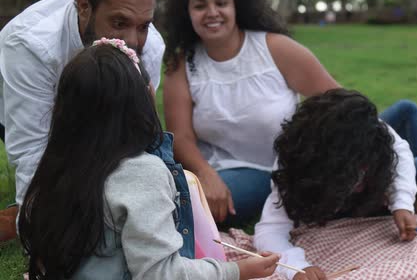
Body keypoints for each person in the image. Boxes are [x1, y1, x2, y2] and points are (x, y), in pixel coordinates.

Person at [17, 41, 279, 280]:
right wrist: (235, 271)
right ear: (144, 96)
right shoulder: (141, 173)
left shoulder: (58, 165)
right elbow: (160, 274)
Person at [254, 89, 417, 280]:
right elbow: (269, 231)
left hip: (378, 188)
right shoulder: (293, 171)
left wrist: (402, 202)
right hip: (351, 204)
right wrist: (295, 266)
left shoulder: (378, 137)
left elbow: (400, 156)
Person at [163, 0, 339, 225]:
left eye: (221, 2)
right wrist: (205, 173)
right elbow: (181, 136)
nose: (212, 12)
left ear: (236, 4)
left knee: (405, 116)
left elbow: (340, 102)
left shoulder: (275, 48)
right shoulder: (182, 66)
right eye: (200, 6)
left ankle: (401, 180)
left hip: (290, 168)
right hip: (227, 171)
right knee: (185, 212)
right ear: (186, 13)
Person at [0, 0, 166, 241]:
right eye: (119, 22)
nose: (133, 41)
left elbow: (137, 133)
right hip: (22, 106)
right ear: (84, 6)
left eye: (143, 26)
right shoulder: (30, 44)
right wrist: (42, 232)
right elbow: (33, 153)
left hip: (90, 113)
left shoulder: (150, 46)